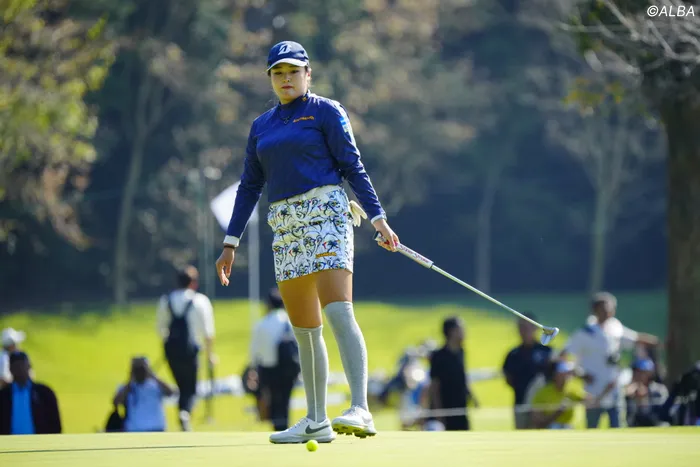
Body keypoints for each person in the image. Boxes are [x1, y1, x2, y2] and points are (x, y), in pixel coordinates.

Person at [215, 40, 400, 444]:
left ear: (307, 74)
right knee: (304, 329)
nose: (286, 79)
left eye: (293, 72)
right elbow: (249, 186)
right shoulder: (261, 126)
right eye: (278, 73)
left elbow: (353, 166)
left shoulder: (326, 111)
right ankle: (316, 420)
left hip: (326, 216)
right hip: (285, 226)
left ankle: (360, 408)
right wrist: (231, 243)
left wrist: (378, 218)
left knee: (339, 312)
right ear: (270, 78)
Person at [156, 265, 216, 431]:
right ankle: (185, 412)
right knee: (191, 387)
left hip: (171, 351)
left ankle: (183, 412)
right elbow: (208, 332)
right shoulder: (200, 301)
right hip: (191, 351)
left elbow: (160, 329)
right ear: (194, 283)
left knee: (182, 385)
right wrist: (210, 355)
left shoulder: (166, 300)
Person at [559, 294, 620, 428]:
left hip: (613, 390)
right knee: (592, 429)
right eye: (604, 308)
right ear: (595, 310)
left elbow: (634, 338)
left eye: (610, 308)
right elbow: (563, 355)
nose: (608, 312)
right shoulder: (585, 332)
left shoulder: (616, 328)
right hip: (593, 392)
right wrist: (579, 373)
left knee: (618, 429)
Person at [249, 287, 301, 431]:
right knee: (285, 399)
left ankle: (277, 426)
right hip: (289, 367)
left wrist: (253, 368)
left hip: (268, 368)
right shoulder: (291, 322)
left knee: (273, 398)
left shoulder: (262, 323)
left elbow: (254, 350)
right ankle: (284, 425)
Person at [502, 313, 553, 429]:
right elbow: (508, 378)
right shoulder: (513, 354)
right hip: (521, 404)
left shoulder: (546, 352)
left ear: (535, 328)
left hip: (543, 406)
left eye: (527, 327)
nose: (524, 331)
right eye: (521, 327)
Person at [427, 316, 479, 431]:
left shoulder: (461, 352)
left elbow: (462, 377)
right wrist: (439, 414)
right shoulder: (438, 356)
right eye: (460, 329)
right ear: (451, 332)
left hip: (461, 409)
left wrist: (472, 396)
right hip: (446, 411)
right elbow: (434, 387)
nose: (464, 332)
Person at [530, 360, 605, 430]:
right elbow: (538, 423)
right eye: (564, 373)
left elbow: (593, 401)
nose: (568, 376)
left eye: (569, 374)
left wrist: (603, 394)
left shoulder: (572, 389)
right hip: (550, 429)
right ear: (555, 375)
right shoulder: (543, 393)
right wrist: (557, 412)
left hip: (570, 428)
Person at [0, 351, 61, 435]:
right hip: (9, 443)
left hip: (39, 442)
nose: (20, 369)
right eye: (16, 366)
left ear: (29, 366)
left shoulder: (44, 393)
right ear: (10, 369)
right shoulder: (3, 395)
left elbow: (55, 424)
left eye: (22, 364)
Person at [112, 356, 175, 433]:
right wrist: (130, 381)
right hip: (134, 429)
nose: (140, 372)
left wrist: (154, 376)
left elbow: (171, 393)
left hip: (157, 428)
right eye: (137, 370)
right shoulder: (127, 387)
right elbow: (116, 402)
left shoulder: (155, 385)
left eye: (142, 369)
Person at [624, 358, 668, 427]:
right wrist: (631, 396)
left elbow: (662, 411)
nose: (637, 375)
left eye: (641, 372)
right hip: (635, 426)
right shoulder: (631, 389)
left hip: (656, 425)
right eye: (635, 372)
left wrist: (646, 396)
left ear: (649, 374)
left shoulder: (659, 389)